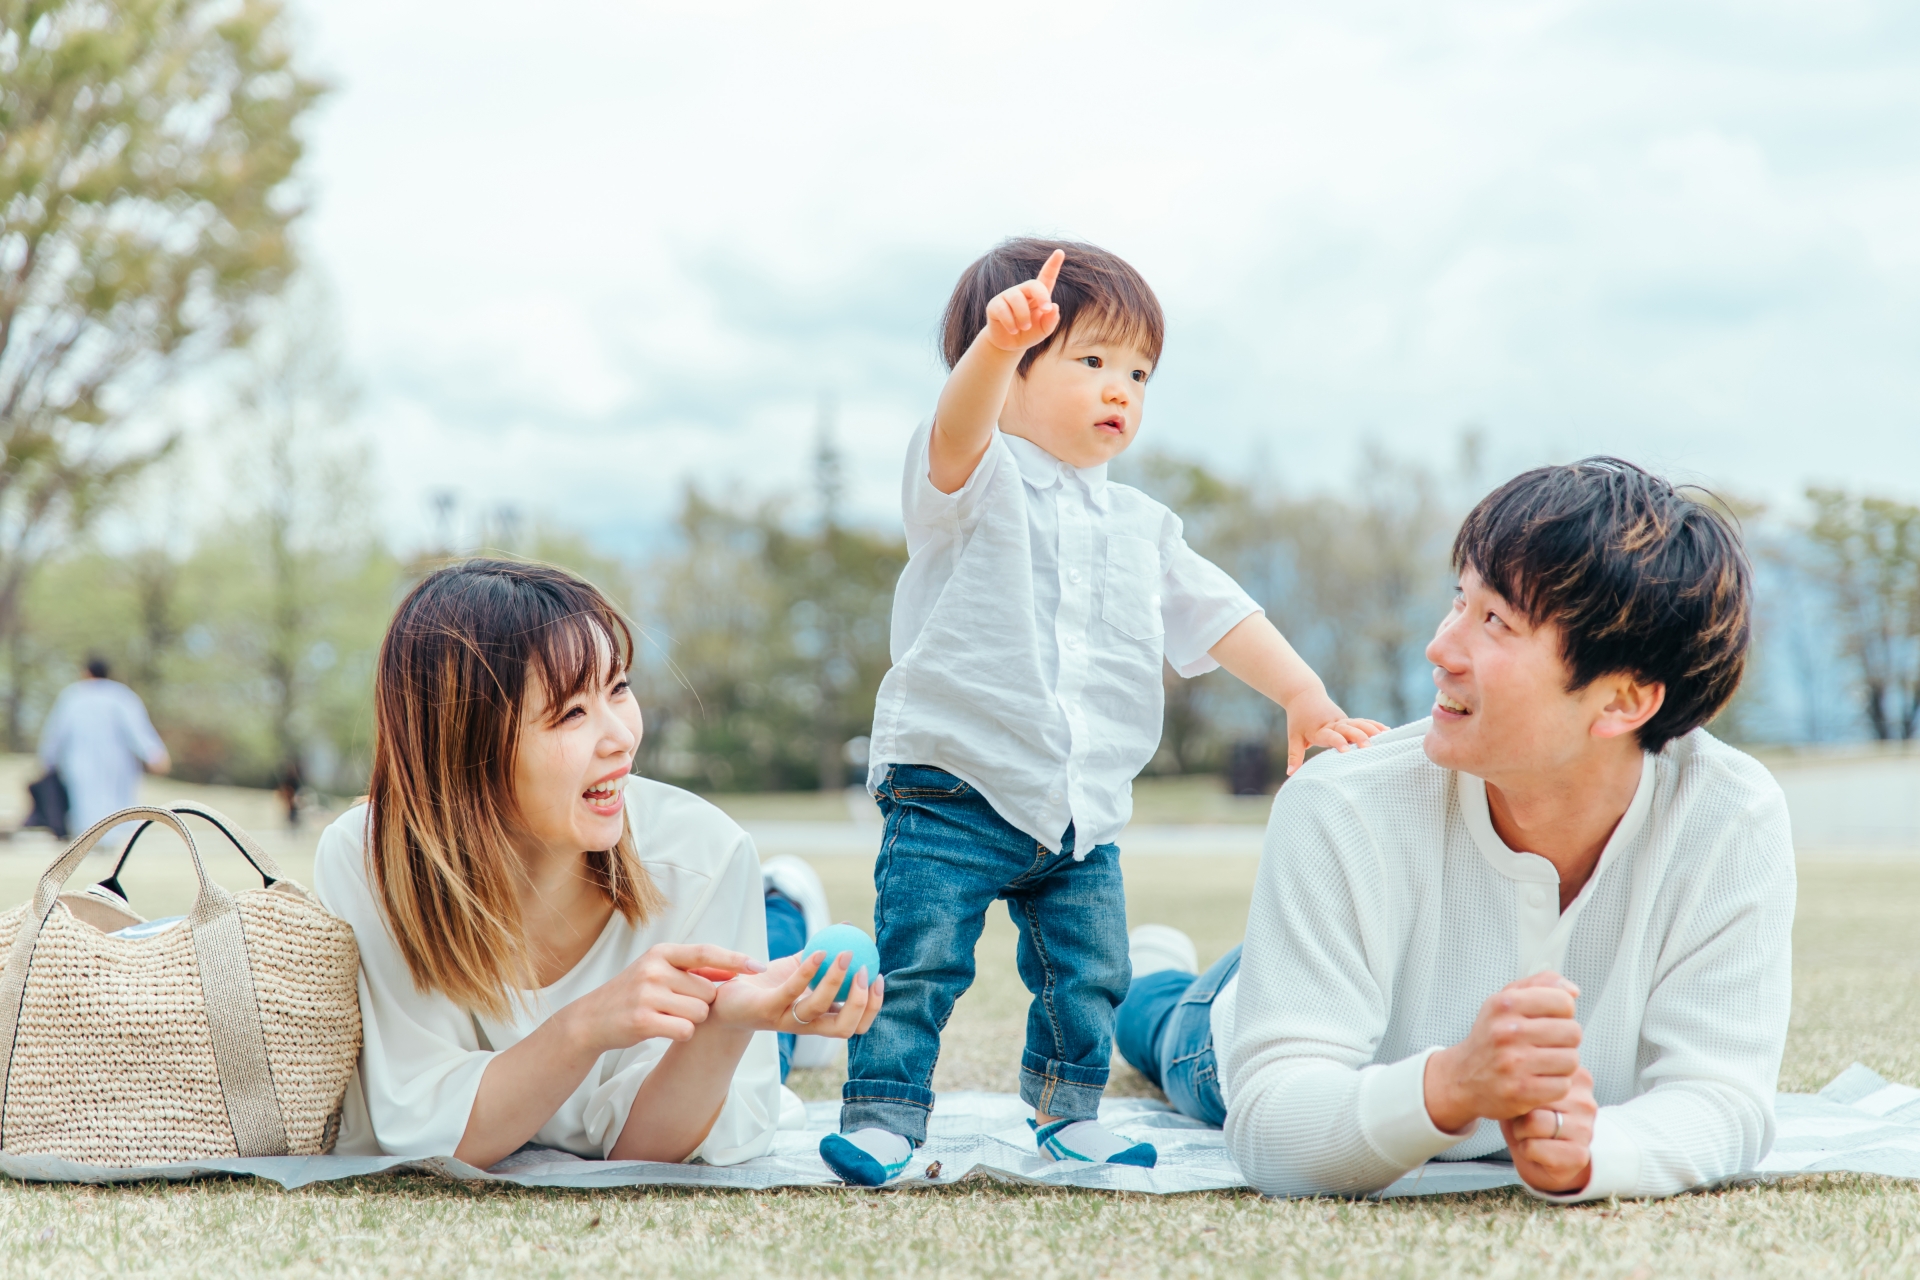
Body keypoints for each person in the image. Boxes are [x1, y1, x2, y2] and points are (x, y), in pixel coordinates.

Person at [821, 239, 1387, 1187]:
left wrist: (1302, 694)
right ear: (1007, 374)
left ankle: (1068, 1111)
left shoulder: (1142, 528)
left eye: (1136, 371)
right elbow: (957, 428)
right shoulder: (972, 482)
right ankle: (884, 1115)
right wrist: (994, 350)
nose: (1118, 387)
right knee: (920, 963)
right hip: (950, 787)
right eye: (1089, 361)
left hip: (1080, 807)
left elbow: (1222, 612)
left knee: (1088, 975)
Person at [1115, 459, 1795, 1202]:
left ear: (1623, 702)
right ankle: (1150, 967)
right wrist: (1453, 1085)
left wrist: (1597, 1154)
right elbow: (1273, 1121)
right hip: (1245, 1024)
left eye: (1496, 621)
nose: (1440, 649)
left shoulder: (1730, 815)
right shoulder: (1342, 801)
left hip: (1365, 967)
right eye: (1458, 601)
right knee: (1153, 1020)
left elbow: (1724, 1096)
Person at [315, 560, 882, 1167]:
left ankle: (784, 904)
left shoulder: (707, 856)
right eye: (571, 713)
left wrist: (723, 1026)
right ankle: (780, 908)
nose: (621, 738)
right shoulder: (373, 861)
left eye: (619, 689)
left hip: (710, 963)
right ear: (465, 743)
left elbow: (645, 1152)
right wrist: (586, 1027)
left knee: (765, 1030)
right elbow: (434, 1136)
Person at [37, 656, 170, 844]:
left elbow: (56, 732)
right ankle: (108, 842)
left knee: (85, 802)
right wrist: (154, 754)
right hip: (116, 762)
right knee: (112, 803)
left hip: (80, 762)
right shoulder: (121, 695)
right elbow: (138, 729)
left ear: (86, 672)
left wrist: (47, 759)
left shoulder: (73, 696)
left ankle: (89, 843)